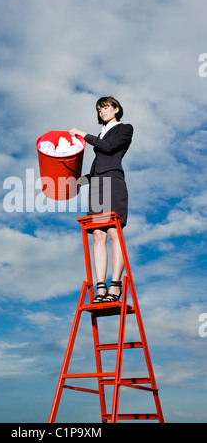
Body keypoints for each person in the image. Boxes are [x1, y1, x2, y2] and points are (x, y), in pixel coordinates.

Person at [69, 96, 133, 303]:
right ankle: (101, 288)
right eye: (99, 110)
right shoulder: (100, 134)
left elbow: (108, 147)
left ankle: (116, 285)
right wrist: (76, 182)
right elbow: (96, 170)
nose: (101, 112)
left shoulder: (125, 128)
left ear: (116, 109)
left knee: (114, 232)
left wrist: (83, 134)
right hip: (97, 186)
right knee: (97, 235)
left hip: (113, 182)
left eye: (105, 108)